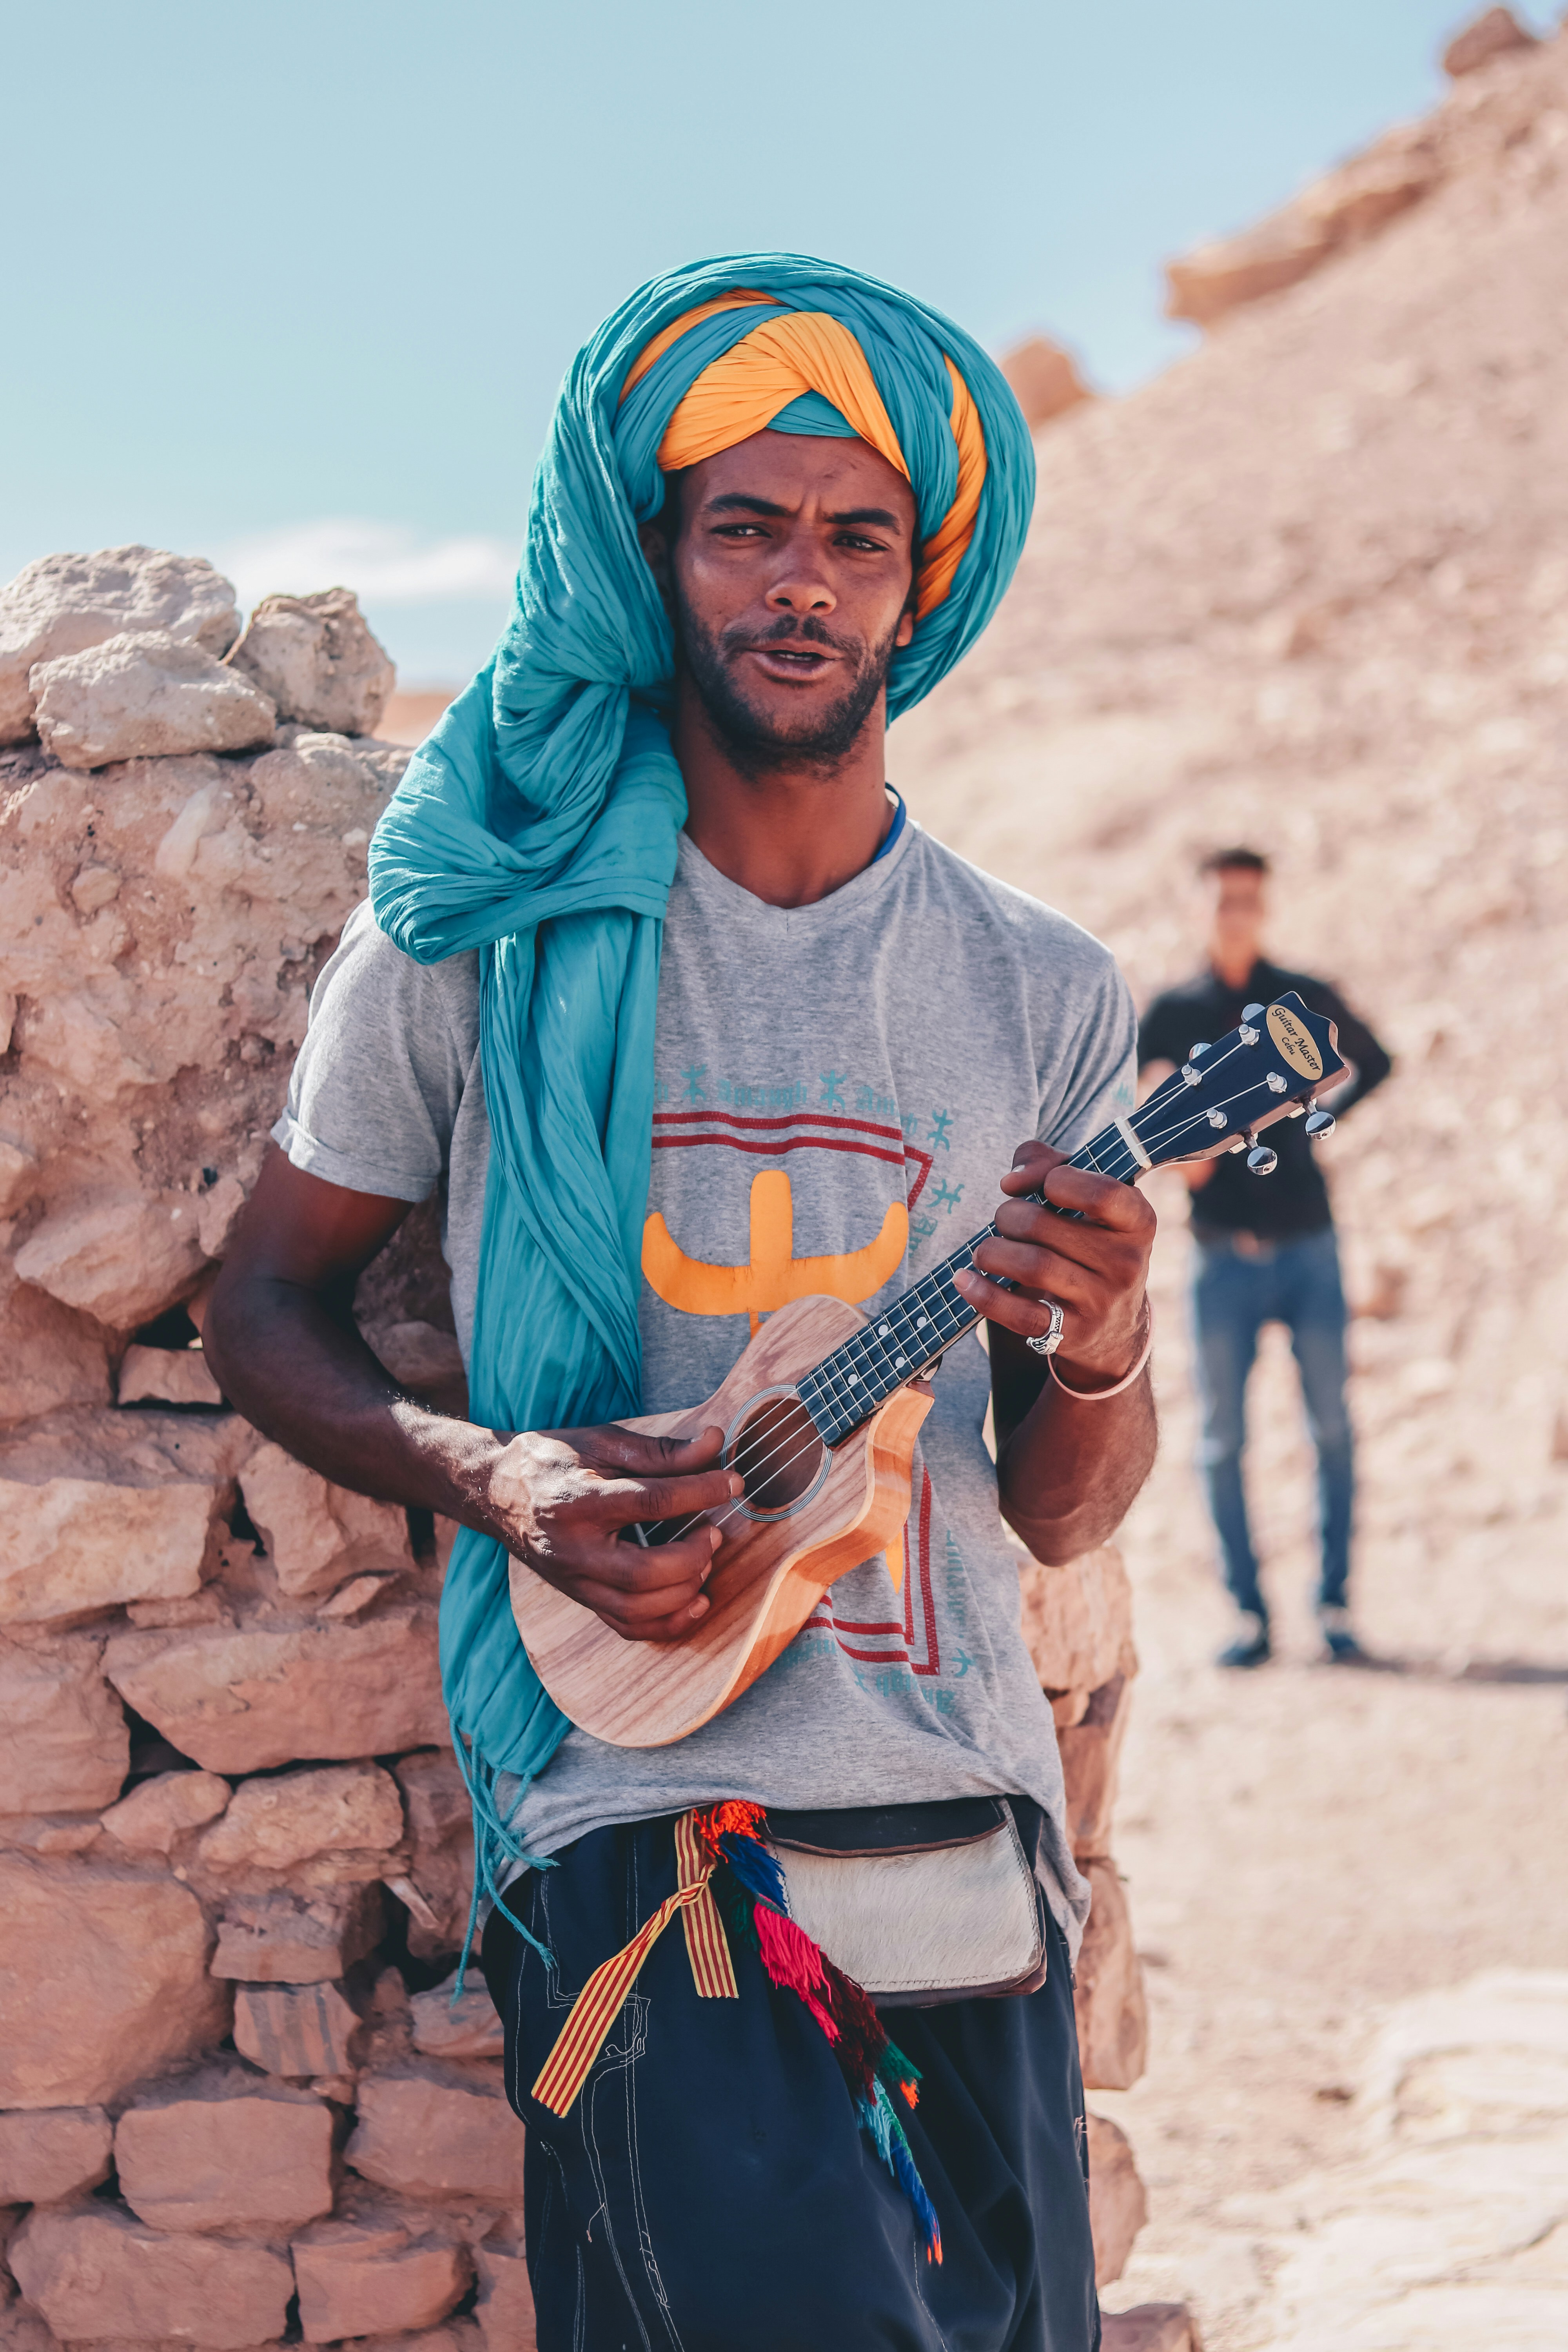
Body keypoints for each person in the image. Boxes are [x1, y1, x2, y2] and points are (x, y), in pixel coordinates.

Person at [205, 257, 1158, 2352]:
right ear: (659, 564)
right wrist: (502, 1475)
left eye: (855, 538)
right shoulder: (479, 950)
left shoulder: (1045, 991)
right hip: (650, 1818)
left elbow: (1068, 1507)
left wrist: (1101, 1342)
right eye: (745, 527)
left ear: (922, 586)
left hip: (962, 1822)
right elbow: (260, 1301)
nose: (800, 582)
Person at [1138, 848, 1392, 1671]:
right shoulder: (1173, 1013)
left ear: (1264, 906)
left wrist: (1321, 1118)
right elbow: (1148, 1117)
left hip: (1309, 1246)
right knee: (1219, 1441)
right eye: (1222, 901)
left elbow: (1375, 1061)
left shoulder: (1298, 998)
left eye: (1248, 900)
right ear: (1199, 908)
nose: (1235, 913)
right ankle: (1248, 1617)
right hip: (1217, 1256)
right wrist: (1184, 1150)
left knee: (1330, 1430)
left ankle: (1336, 1607)